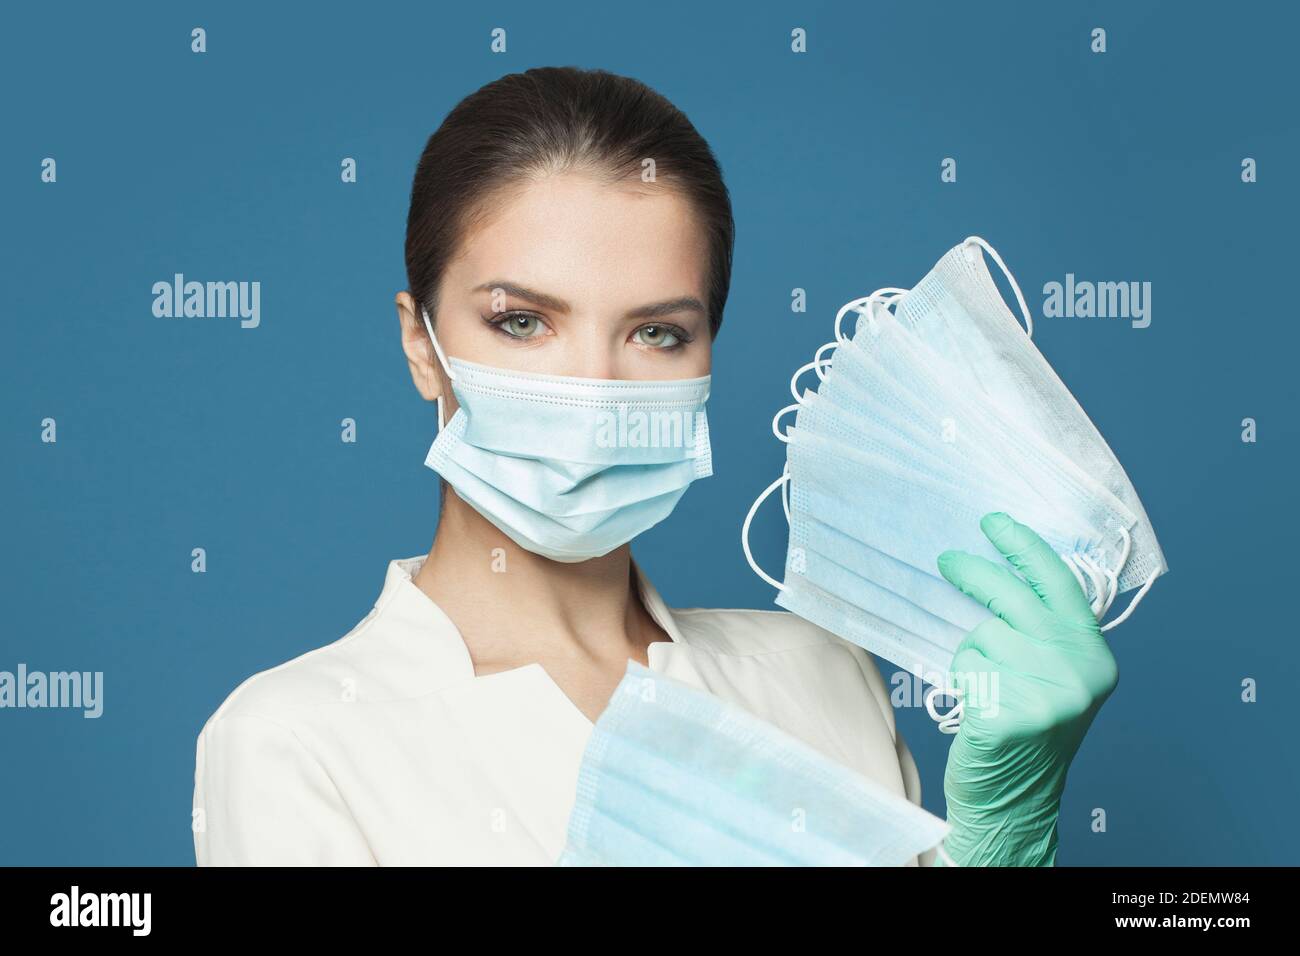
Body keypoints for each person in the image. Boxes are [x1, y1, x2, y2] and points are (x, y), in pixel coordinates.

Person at [192, 67, 1117, 867]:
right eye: (522, 321)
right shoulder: (293, 739)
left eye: (656, 333)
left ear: (708, 351)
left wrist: (1006, 837)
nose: (594, 387)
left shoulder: (822, 671)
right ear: (421, 344)